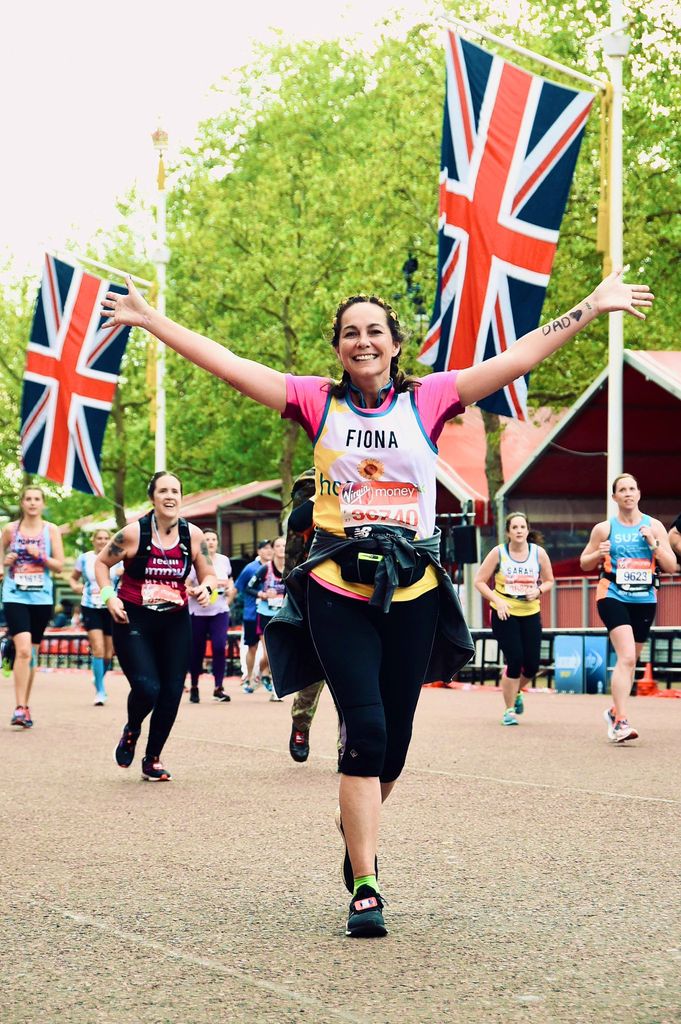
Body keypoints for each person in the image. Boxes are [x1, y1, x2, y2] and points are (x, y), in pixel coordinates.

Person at [103, 267, 653, 936]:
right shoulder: (314, 401)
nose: (361, 342)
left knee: (390, 747)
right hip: (337, 591)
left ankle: (354, 818)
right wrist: (152, 320)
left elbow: (518, 355)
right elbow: (230, 365)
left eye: (373, 332)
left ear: (395, 345)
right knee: (362, 733)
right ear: (337, 349)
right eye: (348, 334)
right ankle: (364, 883)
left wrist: (590, 308)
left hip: (413, 592)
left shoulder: (431, 398)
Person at [94, 472, 216, 781]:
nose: (170, 496)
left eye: (175, 490)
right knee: (148, 688)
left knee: (173, 691)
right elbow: (101, 563)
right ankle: (132, 729)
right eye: (163, 491)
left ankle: (153, 758)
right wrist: (109, 597)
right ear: (153, 498)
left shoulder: (193, 536)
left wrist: (207, 590)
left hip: (174, 620)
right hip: (133, 618)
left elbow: (210, 576)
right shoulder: (134, 534)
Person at [580, 473, 676, 743]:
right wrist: (598, 553)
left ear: (639, 494)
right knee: (627, 658)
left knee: (630, 661)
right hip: (612, 595)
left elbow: (671, 566)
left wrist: (653, 545)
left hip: (644, 598)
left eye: (632, 488)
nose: (628, 493)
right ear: (614, 497)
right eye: (622, 489)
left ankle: (613, 711)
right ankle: (621, 721)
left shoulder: (654, 526)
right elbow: (584, 562)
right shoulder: (604, 529)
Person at [474, 513, 554, 725]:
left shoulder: (538, 554)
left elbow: (549, 581)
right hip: (504, 612)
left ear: (528, 530)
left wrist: (538, 591)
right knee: (515, 659)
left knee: (532, 665)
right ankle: (509, 710)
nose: (519, 531)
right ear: (508, 532)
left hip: (530, 612)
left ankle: (515, 690)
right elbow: (479, 581)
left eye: (522, 527)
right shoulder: (498, 553)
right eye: (515, 527)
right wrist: (497, 600)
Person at [0, 485, 64, 728]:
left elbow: (58, 565)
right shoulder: (11, 529)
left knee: (31, 654)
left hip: (42, 598)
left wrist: (39, 556)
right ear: (22, 502)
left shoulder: (51, 530)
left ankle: (25, 706)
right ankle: (18, 707)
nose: (33, 503)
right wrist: (3, 564)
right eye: (28, 499)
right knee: (25, 649)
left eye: (37, 499)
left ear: (43, 503)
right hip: (15, 595)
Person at [285, 469, 326, 762]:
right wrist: (323, 489)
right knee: (316, 668)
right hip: (315, 591)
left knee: (354, 675)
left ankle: (349, 745)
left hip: (358, 588)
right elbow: (297, 523)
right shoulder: (309, 482)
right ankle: (301, 723)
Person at [70, 529, 123, 705]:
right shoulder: (84, 558)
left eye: (106, 538)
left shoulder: (118, 556)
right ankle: (100, 690)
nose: (102, 541)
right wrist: (75, 587)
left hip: (110, 606)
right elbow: (73, 578)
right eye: (99, 538)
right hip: (90, 606)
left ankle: (98, 676)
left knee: (109, 652)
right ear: (93, 540)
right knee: (98, 649)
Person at [186, 528, 235, 703]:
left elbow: (230, 580)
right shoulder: (195, 561)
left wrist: (229, 590)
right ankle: (194, 686)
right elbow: (186, 585)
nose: (211, 542)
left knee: (220, 647)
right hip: (198, 611)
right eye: (207, 539)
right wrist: (196, 592)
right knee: (197, 650)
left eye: (214, 539)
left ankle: (218, 687)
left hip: (220, 611)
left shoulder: (224, 561)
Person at [246, 535, 287, 701]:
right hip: (265, 614)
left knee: (279, 652)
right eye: (278, 546)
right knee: (271, 652)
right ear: (273, 549)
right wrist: (262, 594)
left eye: (284, 546)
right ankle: (274, 688)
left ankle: (261, 673)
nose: (281, 549)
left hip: (283, 614)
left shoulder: (292, 567)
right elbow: (249, 588)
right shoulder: (265, 569)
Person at [234, 539, 273, 693]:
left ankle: (265, 675)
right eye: (265, 548)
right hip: (251, 613)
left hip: (269, 613)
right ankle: (249, 677)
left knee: (269, 648)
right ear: (258, 551)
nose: (269, 551)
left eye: (271, 548)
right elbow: (239, 587)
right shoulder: (250, 568)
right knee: (252, 647)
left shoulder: (277, 568)